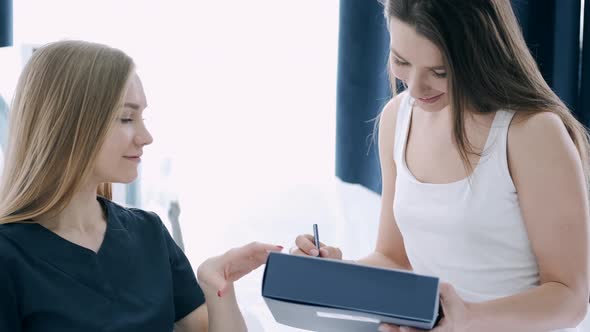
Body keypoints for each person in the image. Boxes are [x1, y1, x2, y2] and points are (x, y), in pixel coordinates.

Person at [292, 1, 589, 331]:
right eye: (401, 61)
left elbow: (570, 296)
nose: (415, 89)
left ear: (479, 55)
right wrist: (335, 276)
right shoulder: (397, 119)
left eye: (440, 72)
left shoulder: (531, 133)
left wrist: (467, 318)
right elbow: (395, 259)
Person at [0, 40, 283, 332]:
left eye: (142, 117)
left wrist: (218, 283)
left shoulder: (149, 233)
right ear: (69, 125)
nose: (146, 136)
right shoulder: (9, 256)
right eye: (126, 118)